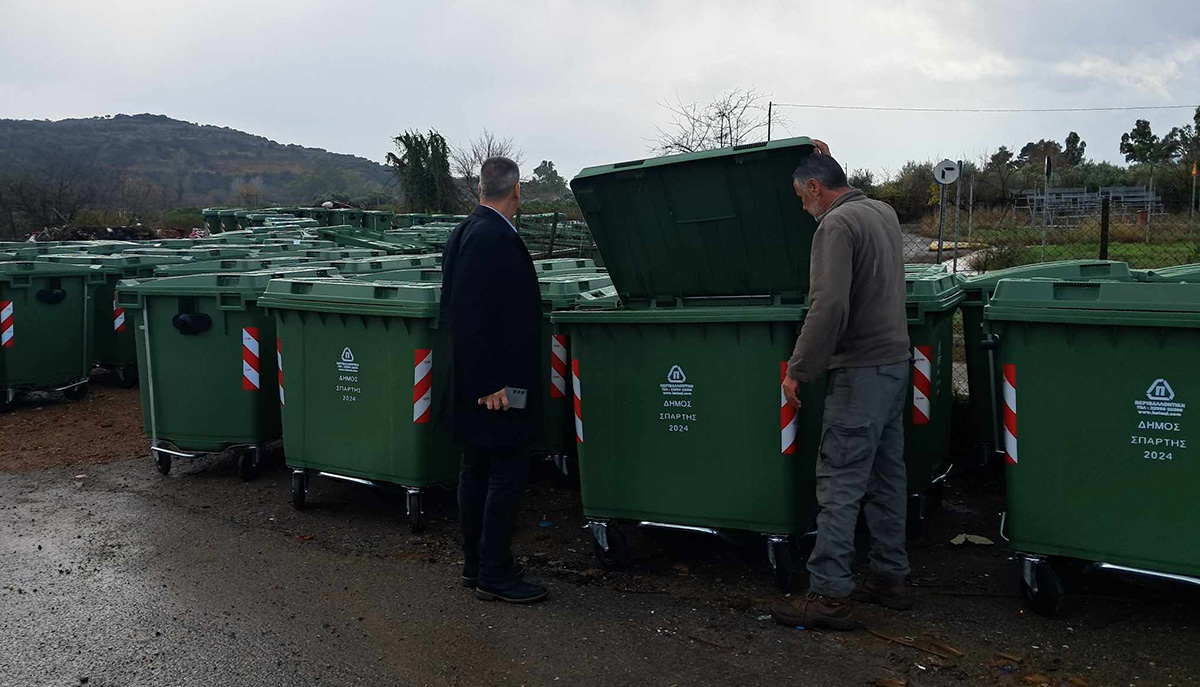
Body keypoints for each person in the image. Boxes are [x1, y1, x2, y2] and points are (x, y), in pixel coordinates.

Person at [772, 146, 911, 630]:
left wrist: (798, 369)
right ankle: (889, 577)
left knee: (840, 482)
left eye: (801, 196)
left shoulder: (835, 225)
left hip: (860, 371)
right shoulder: (882, 212)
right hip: (896, 363)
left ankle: (828, 594)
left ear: (815, 188)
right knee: (887, 477)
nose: (802, 207)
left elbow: (828, 305)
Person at [441, 156, 547, 604]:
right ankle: (494, 573)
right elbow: (469, 316)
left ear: (481, 188)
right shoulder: (489, 236)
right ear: (517, 190)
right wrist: (490, 384)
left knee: (477, 469)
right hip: (496, 386)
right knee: (504, 471)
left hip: (482, 382)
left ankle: (477, 564)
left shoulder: (468, 230)